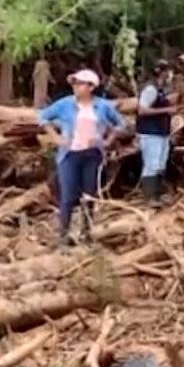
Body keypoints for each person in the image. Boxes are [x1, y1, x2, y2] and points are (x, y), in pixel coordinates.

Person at [38, 69, 125, 249]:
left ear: (91, 87)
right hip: (70, 154)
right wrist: (56, 138)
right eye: (75, 83)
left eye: (81, 84)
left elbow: (120, 123)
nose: (77, 87)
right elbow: (42, 116)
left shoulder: (102, 106)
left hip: (92, 154)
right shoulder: (65, 104)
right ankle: (63, 236)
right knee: (68, 195)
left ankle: (86, 234)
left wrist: (107, 140)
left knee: (89, 195)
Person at [136, 60, 178, 206]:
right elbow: (142, 110)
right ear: (162, 72)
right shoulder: (150, 90)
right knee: (151, 164)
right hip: (150, 132)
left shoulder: (160, 90)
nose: (169, 75)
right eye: (167, 72)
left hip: (161, 132)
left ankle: (158, 194)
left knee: (160, 163)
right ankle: (150, 197)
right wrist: (166, 110)